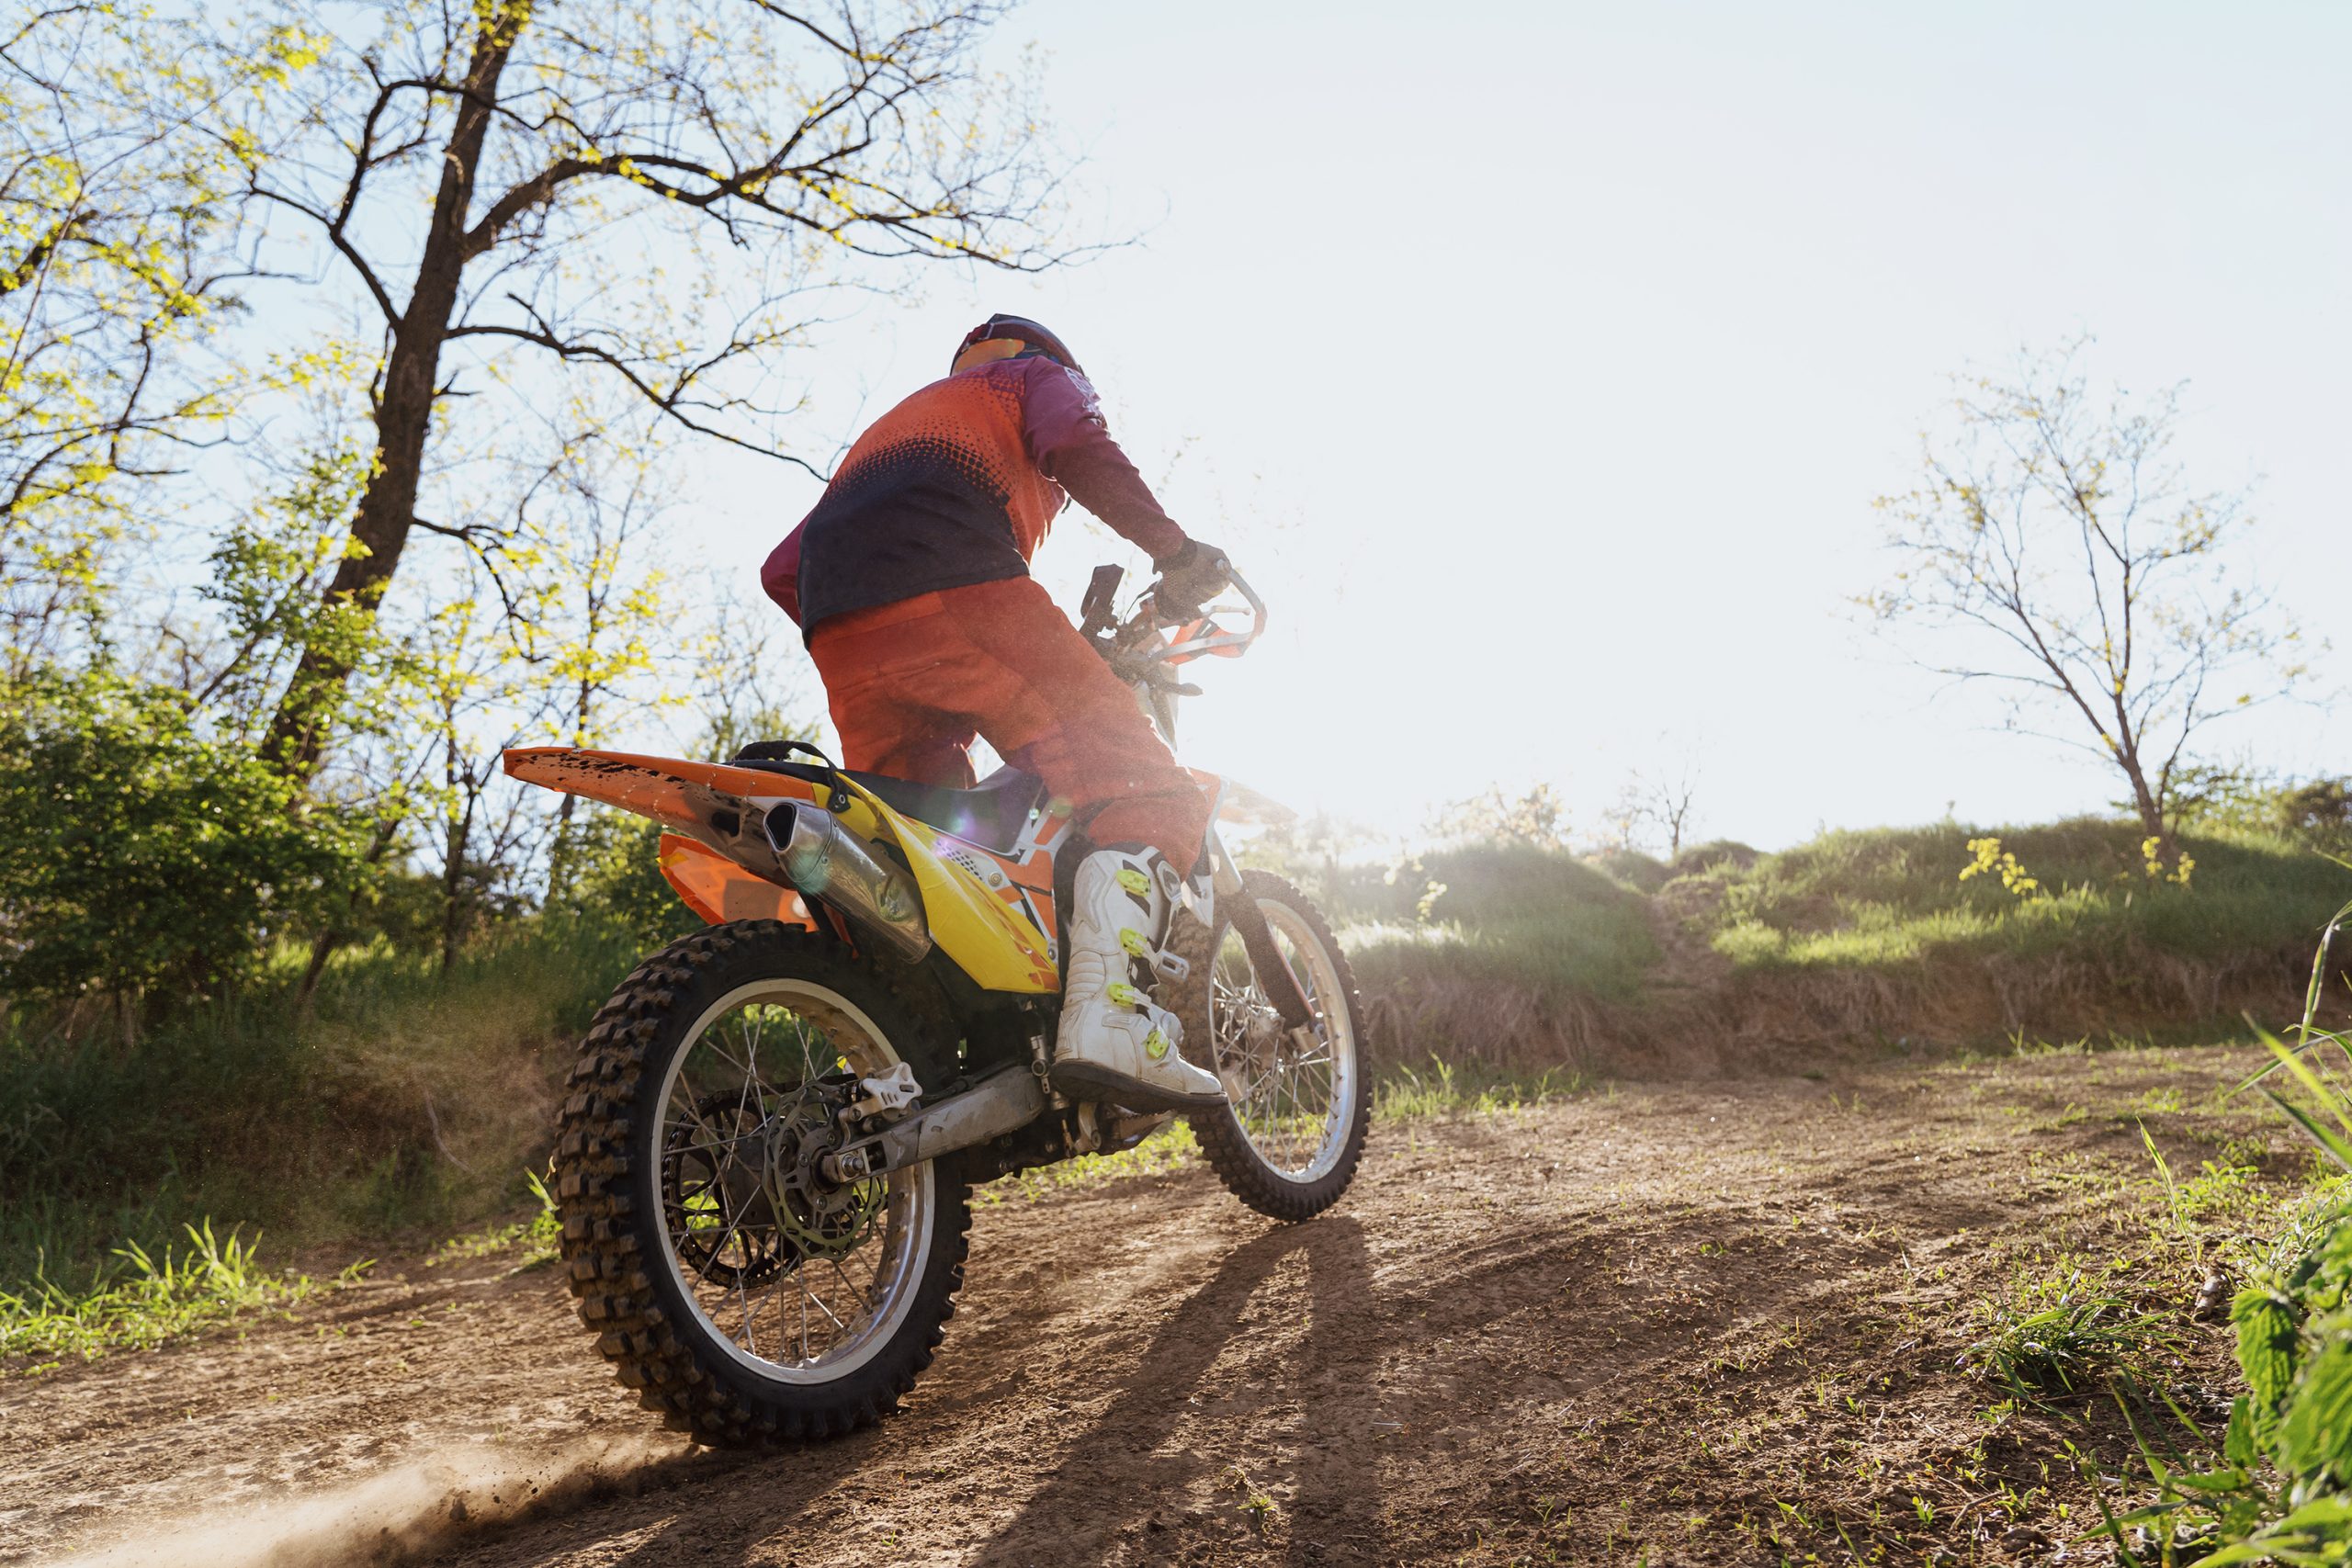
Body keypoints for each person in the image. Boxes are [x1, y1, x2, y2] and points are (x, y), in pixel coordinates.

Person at [761, 314, 1235, 1112]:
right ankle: (1107, 1020)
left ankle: (925, 1070)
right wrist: (1177, 552)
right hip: (961, 586)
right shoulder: (1027, 377)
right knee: (1151, 789)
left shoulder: (904, 421)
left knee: (930, 863)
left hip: (842, 636)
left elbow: (782, 569)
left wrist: (868, 620)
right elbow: (1076, 446)